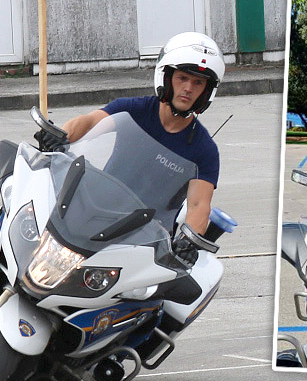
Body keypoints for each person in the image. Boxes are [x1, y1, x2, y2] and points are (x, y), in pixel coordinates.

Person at [49, 31, 225, 264]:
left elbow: (198, 205)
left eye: (198, 82)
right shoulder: (133, 110)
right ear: (167, 77)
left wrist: (188, 241)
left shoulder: (205, 150)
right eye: (182, 78)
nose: (188, 88)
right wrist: (60, 136)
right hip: (97, 212)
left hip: (147, 240)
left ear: (206, 91)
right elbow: (91, 122)